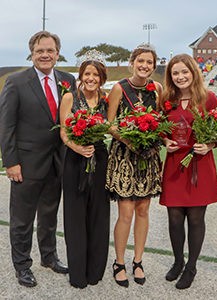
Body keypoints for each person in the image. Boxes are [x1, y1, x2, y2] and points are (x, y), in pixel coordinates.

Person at [0, 31, 76, 287]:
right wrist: (11, 162)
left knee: (49, 215)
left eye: (50, 50)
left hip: (58, 162)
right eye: (40, 51)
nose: (45, 55)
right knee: (22, 219)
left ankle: (49, 256)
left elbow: (71, 120)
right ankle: (22, 265)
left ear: (57, 53)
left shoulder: (67, 80)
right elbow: (6, 126)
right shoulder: (16, 81)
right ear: (32, 53)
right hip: (26, 164)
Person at [159, 54, 217, 289]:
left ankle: (191, 266)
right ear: (170, 76)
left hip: (199, 164)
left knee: (195, 218)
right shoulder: (167, 99)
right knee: (174, 218)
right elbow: (160, 129)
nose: (180, 76)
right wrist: (165, 142)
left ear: (193, 72)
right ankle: (177, 262)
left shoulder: (209, 98)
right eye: (175, 73)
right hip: (175, 164)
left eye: (185, 71)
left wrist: (210, 145)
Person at [106, 44, 163, 287]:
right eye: (140, 61)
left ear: (153, 65)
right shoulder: (120, 88)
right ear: (132, 62)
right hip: (125, 155)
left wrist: (152, 139)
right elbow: (109, 124)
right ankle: (119, 262)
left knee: (143, 211)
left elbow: (159, 121)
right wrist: (131, 141)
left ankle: (138, 260)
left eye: (149, 62)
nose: (144, 66)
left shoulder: (157, 88)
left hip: (147, 156)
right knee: (126, 213)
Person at [59, 51, 110, 289]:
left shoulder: (106, 99)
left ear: (101, 77)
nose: (91, 78)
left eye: (96, 74)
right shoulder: (70, 97)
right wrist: (77, 148)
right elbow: (63, 131)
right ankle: (78, 273)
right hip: (75, 159)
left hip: (99, 159)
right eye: (87, 74)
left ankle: (95, 270)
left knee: (99, 214)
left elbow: (110, 128)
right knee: (75, 216)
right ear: (80, 76)